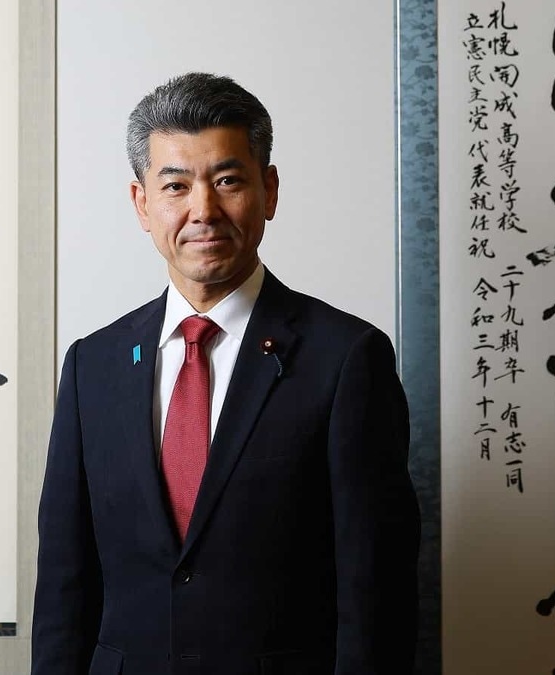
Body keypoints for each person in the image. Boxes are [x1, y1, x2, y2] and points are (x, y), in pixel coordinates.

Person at [32, 72, 420, 675]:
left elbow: (377, 591)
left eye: (228, 181)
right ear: (141, 203)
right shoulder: (93, 365)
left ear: (269, 190)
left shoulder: (346, 359)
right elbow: (64, 580)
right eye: (175, 186)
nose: (203, 211)